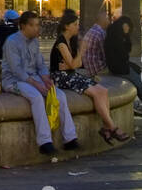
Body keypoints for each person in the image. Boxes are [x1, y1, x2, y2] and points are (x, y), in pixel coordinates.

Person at [82, 8, 142, 132]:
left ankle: (139, 106)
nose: (109, 20)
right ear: (101, 18)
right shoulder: (101, 34)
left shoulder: (97, 31)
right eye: (107, 17)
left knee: (137, 75)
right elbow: (112, 56)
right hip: (104, 69)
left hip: (101, 68)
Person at [2, 11, 77, 154]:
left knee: (59, 95)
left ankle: (70, 138)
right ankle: (45, 142)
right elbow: (17, 70)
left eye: (38, 25)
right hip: (13, 81)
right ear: (23, 26)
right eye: (33, 25)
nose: (37, 29)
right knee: (36, 97)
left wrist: (46, 79)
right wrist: (36, 85)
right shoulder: (11, 42)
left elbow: (41, 65)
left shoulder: (35, 42)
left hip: (33, 78)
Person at [51, 11, 129, 144]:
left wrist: (72, 63)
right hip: (61, 77)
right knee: (96, 93)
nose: (78, 27)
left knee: (103, 91)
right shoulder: (61, 43)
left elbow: (78, 64)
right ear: (66, 26)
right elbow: (75, 63)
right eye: (75, 24)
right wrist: (80, 52)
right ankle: (112, 127)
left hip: (70, 74)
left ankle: (105, 127)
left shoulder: (71, 41)